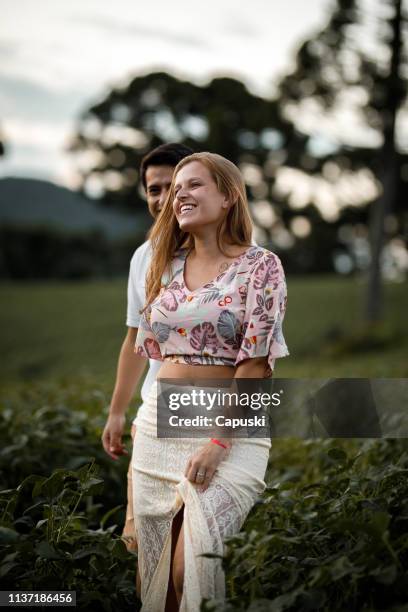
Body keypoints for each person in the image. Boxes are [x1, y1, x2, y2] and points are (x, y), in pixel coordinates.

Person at [132, 152, 289, 611]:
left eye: (195, 185)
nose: (180, 193)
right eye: (176, 187)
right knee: (155, 577)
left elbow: (256, 365)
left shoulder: (261, 267)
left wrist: (218, 442)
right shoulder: (162, 265)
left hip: (231, 430)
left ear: (228, 196)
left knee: (191, 568)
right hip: (160, 426)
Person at [101, 143, 193, 554]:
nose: (162, 198)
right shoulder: (143, 258)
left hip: (206, 414)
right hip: (154, 412)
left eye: (172, 186)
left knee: (187, 547)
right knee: (139, 543)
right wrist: (118, 412)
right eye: (153, 189)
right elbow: (133, 339)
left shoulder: (229, 256)